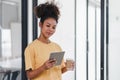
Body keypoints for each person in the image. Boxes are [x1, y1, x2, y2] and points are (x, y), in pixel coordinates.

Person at [24, 1, 74, 80]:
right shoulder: (31, 48)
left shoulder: (57, 47)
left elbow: (59, 71)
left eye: (53, 27)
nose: (50, 29)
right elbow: (29, 75)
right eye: (48, 25)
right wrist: (44, 67)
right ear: (40, 25)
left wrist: (68, 67)